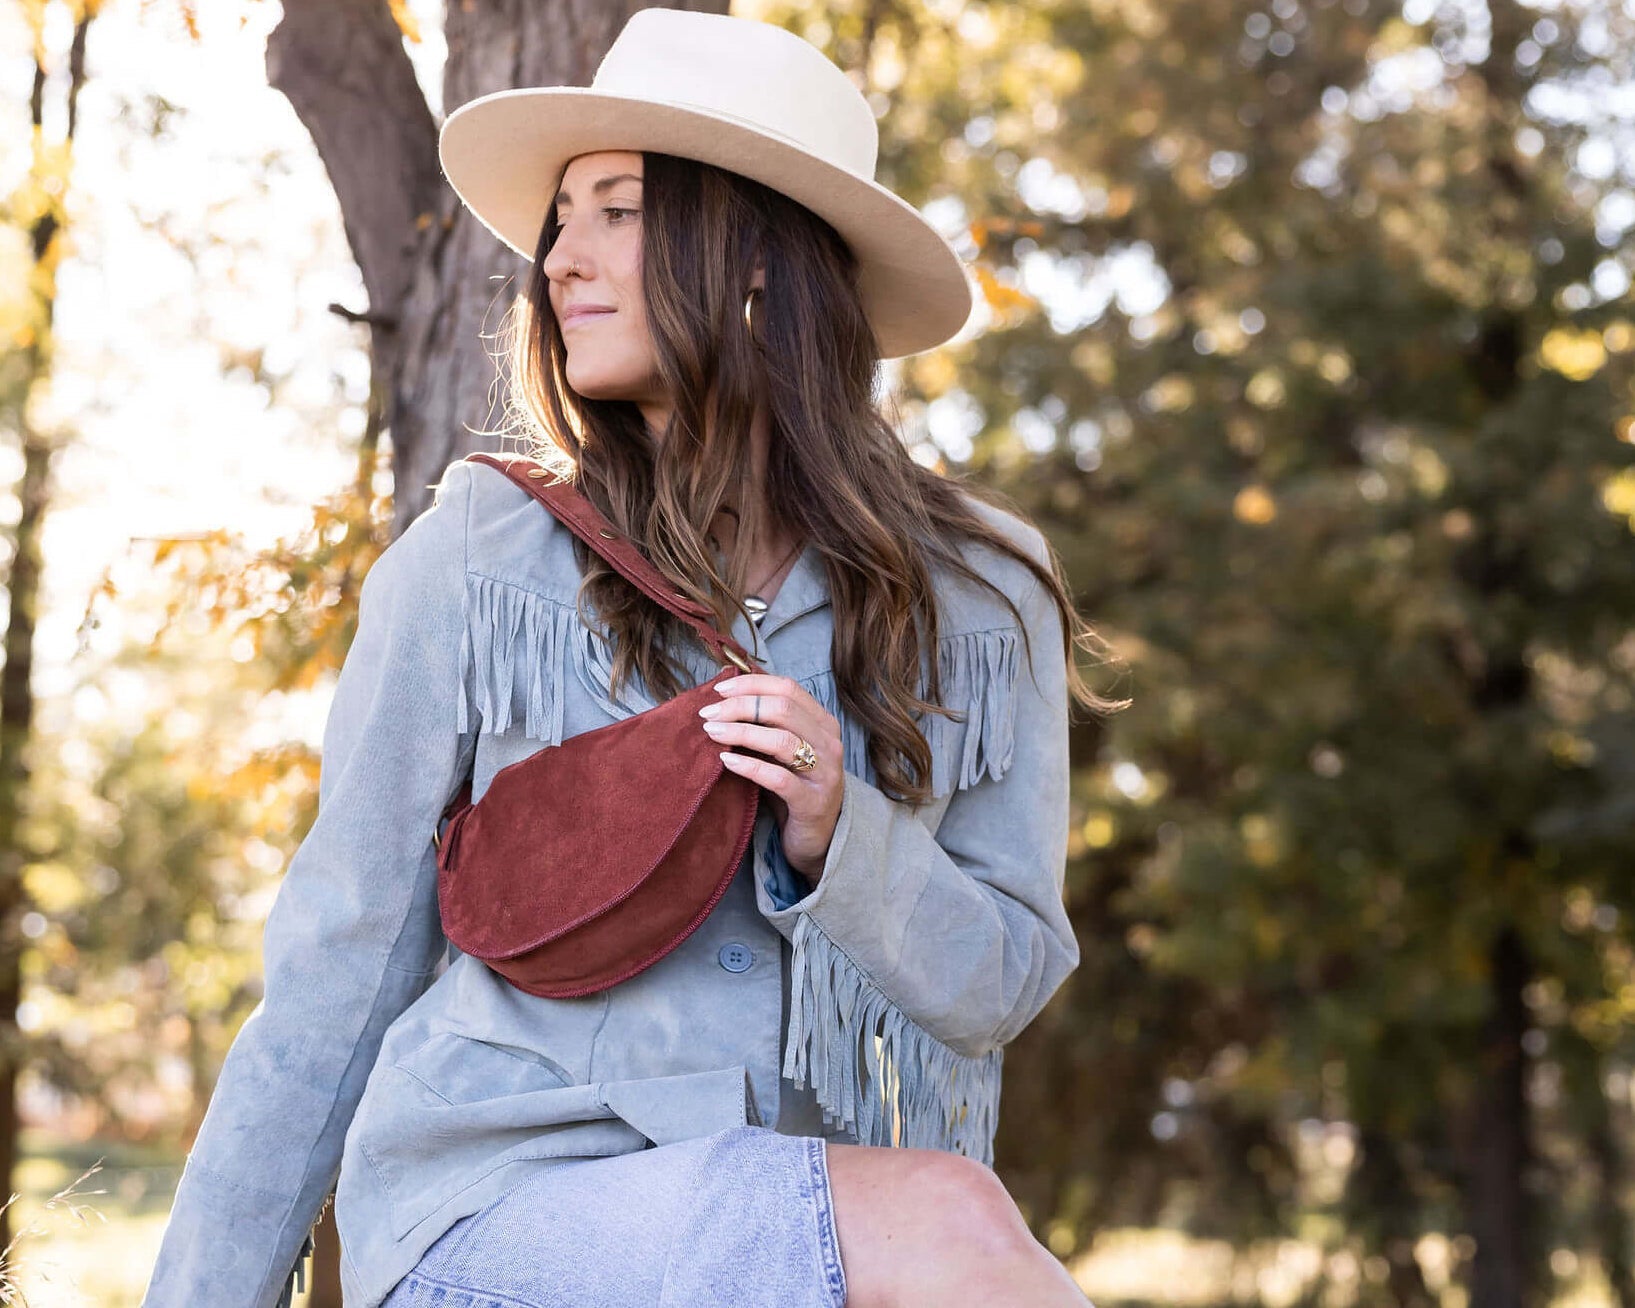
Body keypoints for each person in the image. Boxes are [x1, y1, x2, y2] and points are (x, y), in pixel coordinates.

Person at [141, 10, 1125, 1308]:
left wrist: (848, 835)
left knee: (950, 1219)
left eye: (616, 210)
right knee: (954, 1223)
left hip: (813, 1231)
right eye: (561, 220)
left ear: (760, 256)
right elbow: (334, 974)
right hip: (492, 1216)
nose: (559, 258)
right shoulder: (482, 556)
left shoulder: (981, 592)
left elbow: (994, 980)